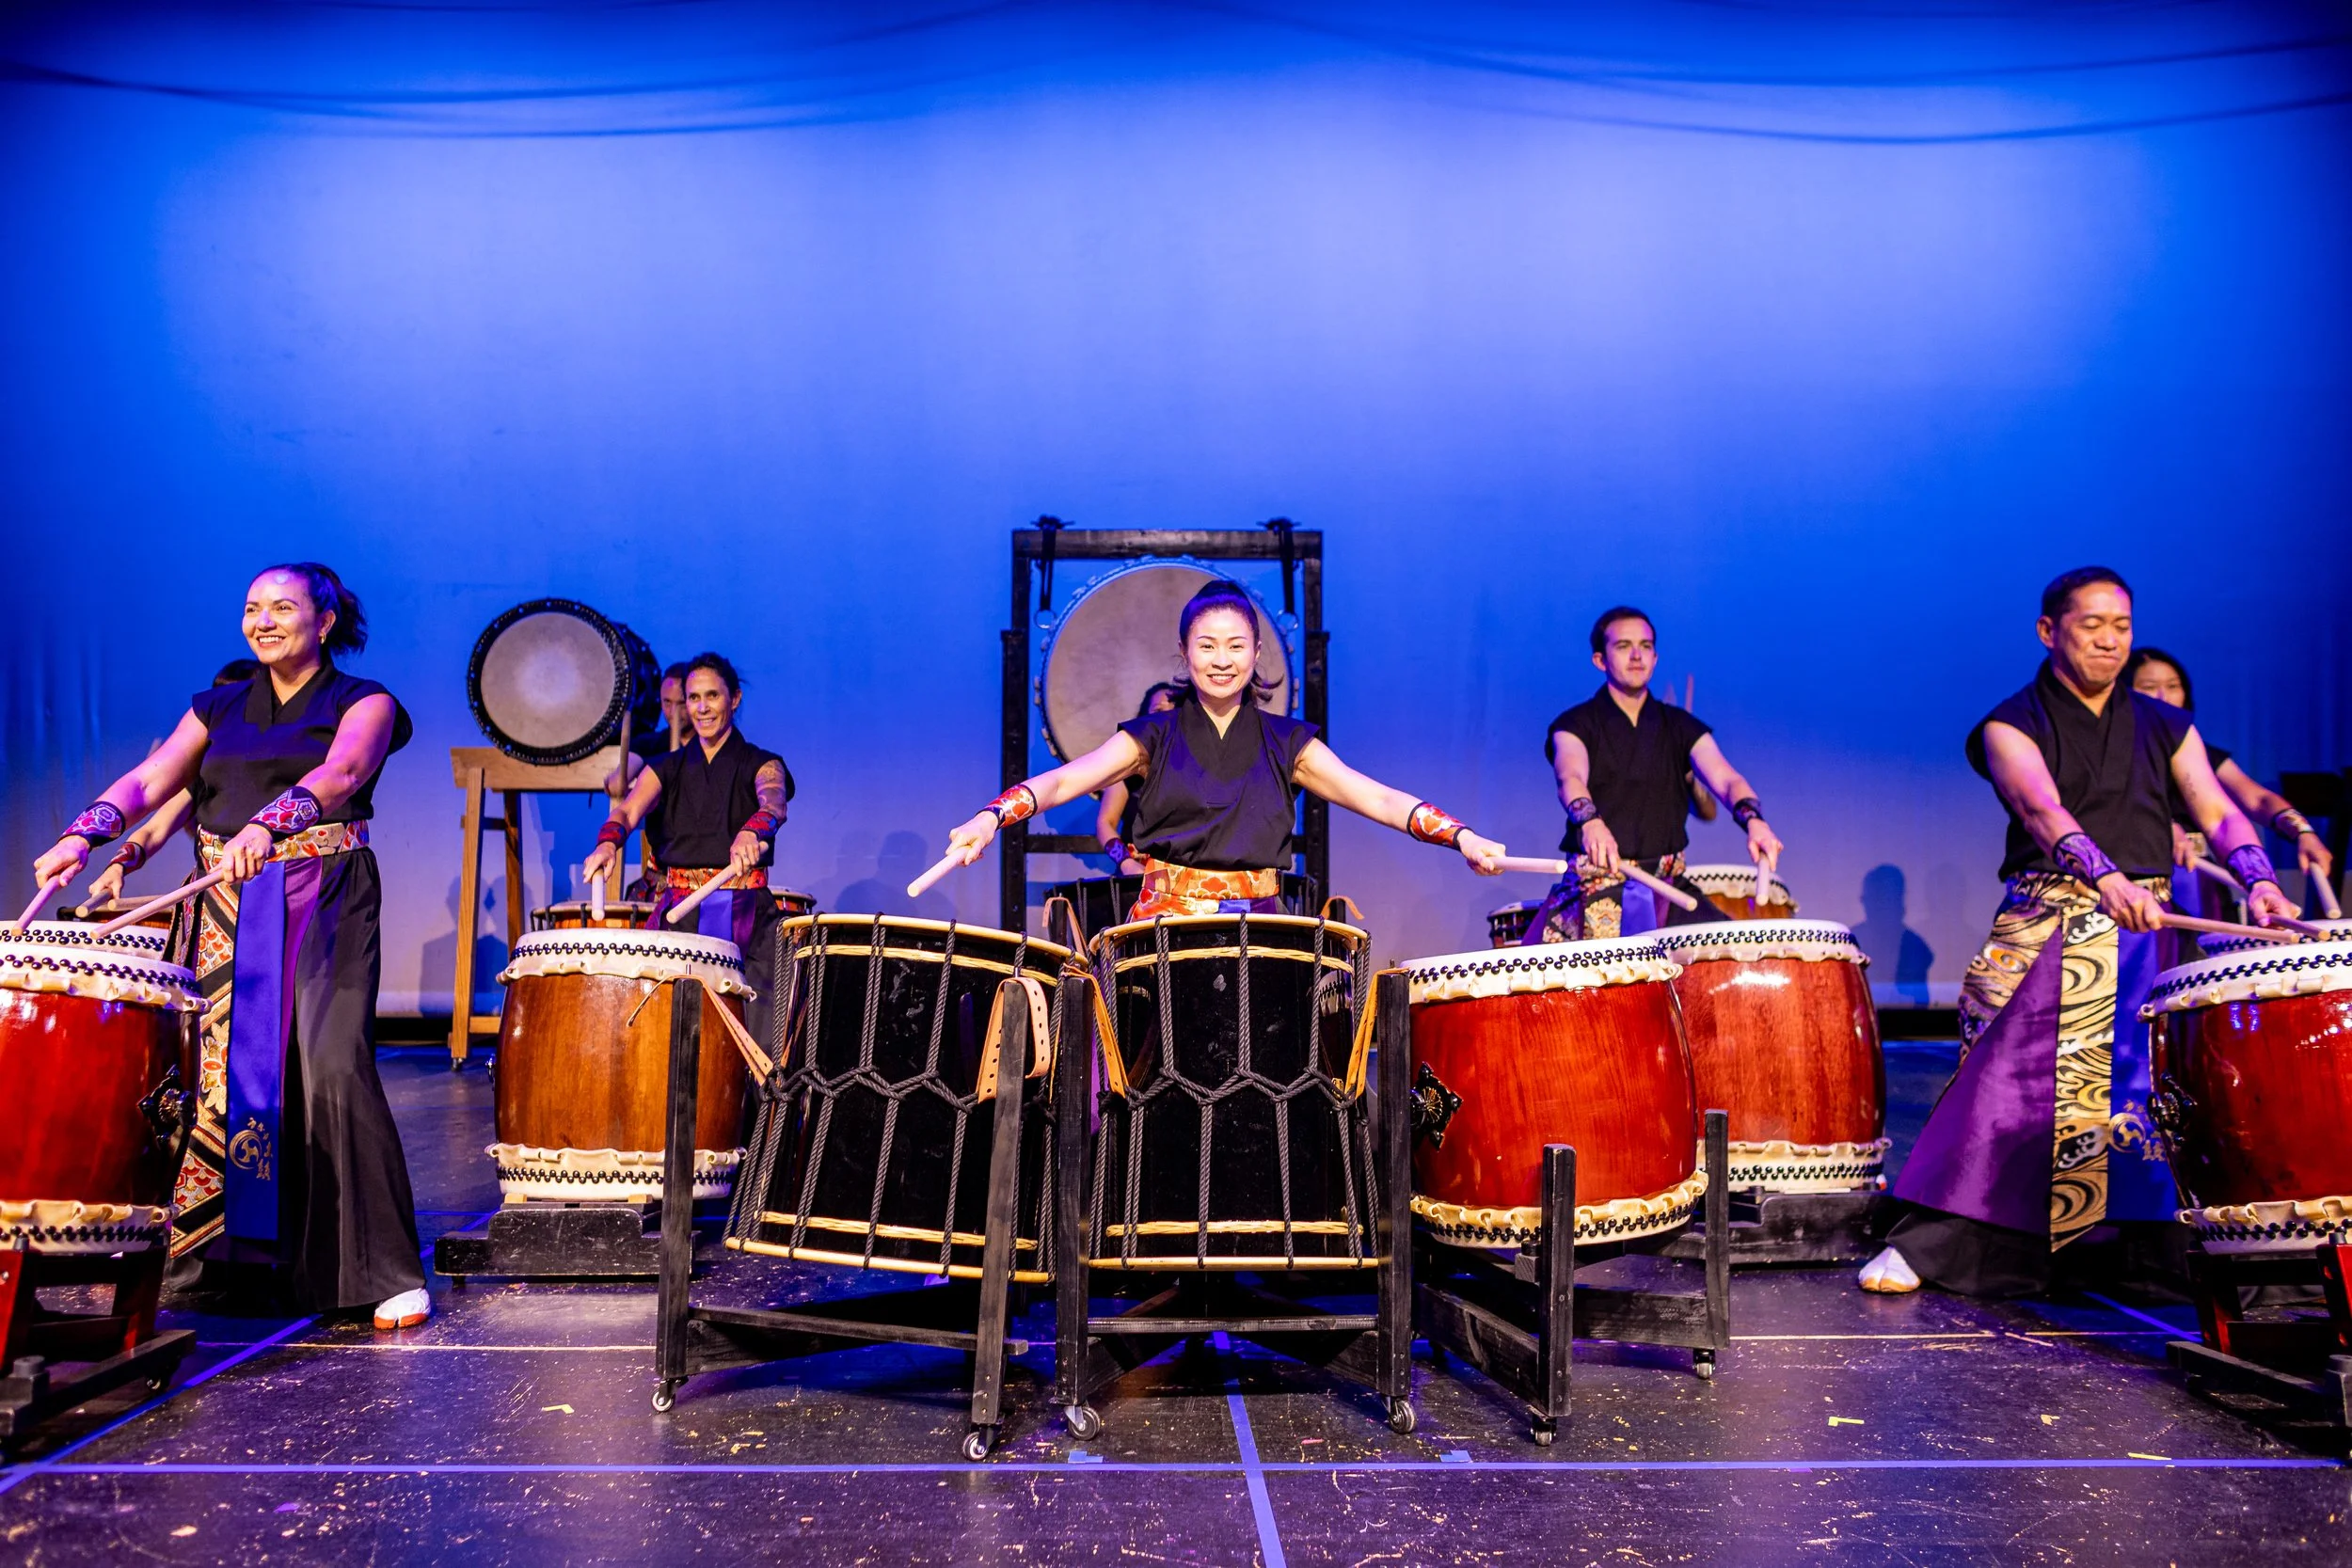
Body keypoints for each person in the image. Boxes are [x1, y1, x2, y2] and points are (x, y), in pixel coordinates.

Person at [1861, 568, 2295, 1298]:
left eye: (2121, 626)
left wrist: (2259, 879)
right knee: (2012, 1086)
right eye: (2092, 624)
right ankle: (1939, 1245)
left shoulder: (2165, 723)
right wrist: (2104, 875)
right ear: (2048, 630)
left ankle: (2151, 1250)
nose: (2110, 640)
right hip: (2053, 927)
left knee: (2145, 1087)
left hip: (2146, 934)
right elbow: (2041, 809)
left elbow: (2216, 811)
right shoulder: (2011, 722)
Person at [32, 566, 428, 1330]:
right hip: (220, 903)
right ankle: (227, 1259)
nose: (264, 620)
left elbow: (342, 772)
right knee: (214, 1077)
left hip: (322, 893)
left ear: (326, 618)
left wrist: (270, 824)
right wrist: (84, 834)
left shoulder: (365, 701)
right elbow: (153, 780)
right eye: (252, 608)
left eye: (283, 607)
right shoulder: (216, 705)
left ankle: (379, 1270)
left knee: (331, 1063)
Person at [940, 579, 1503, 921]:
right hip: (1162, 930)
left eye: (1236, 645)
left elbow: (1376, 799)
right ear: (1184, 655)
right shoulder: (1150, 736)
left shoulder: (1289, 744)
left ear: (1257, 654)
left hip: (1260, 925)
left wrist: (1462, 837)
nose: (1221, 658)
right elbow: (1066, 781)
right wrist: (990, 819)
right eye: (1206, 645)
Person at [1523, 608, 1784, 942]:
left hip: (1668, 887)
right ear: (1600, 660)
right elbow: (1570, 777)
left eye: (1645, 646)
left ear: (1656, 658)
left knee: (1728, 958)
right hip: (1600, 882)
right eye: (1623, 646)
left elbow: (1727, 779)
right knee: (1601, 985)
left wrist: (1755, 822)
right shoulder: (1574, 725)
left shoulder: (1679, 725)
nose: (1636, 656)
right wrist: (1589, 821)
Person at [581, 653, 793, 1022]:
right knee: (672, 1027)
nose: (702, 708)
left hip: (745, 911)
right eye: (694, 698)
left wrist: (750, 831)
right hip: (679, 914)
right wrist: (607, 843)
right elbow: (628, 811)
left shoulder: (763, 762)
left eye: (712, 696)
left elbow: (773, 805)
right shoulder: (666, 767)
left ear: (735, 699)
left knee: (756, 1026)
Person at [2125, 647, 2335, 922]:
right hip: (2135, 885)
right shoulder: (2114, 754)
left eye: (2173, 686)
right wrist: (2158, 830)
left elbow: (2256, 799)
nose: (2164, 697)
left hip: (2196, 882)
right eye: (2149, 687)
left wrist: (2302, 831)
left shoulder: (2196, 750)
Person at [83, 658, 262, 912]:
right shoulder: (204, 774)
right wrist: (117, 866)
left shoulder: (298, 769)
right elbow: (154, 830)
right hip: (214, 909)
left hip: (280, 900)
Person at [597, 662, 691, 902]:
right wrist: (619, 780)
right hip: (662, 859)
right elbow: (628, 768)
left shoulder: (709, 750)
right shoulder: (652, 743)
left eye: (681, 703)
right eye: (666, 703)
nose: (673, 712)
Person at [1094, 682, 1187, 874]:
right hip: (1136, 873)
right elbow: (1106, 823)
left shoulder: (1196, 768)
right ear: (1145, 718)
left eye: (1175, 710)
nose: (1167, 717)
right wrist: (1125, 862)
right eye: (1159, 710)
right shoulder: (1126, 769)